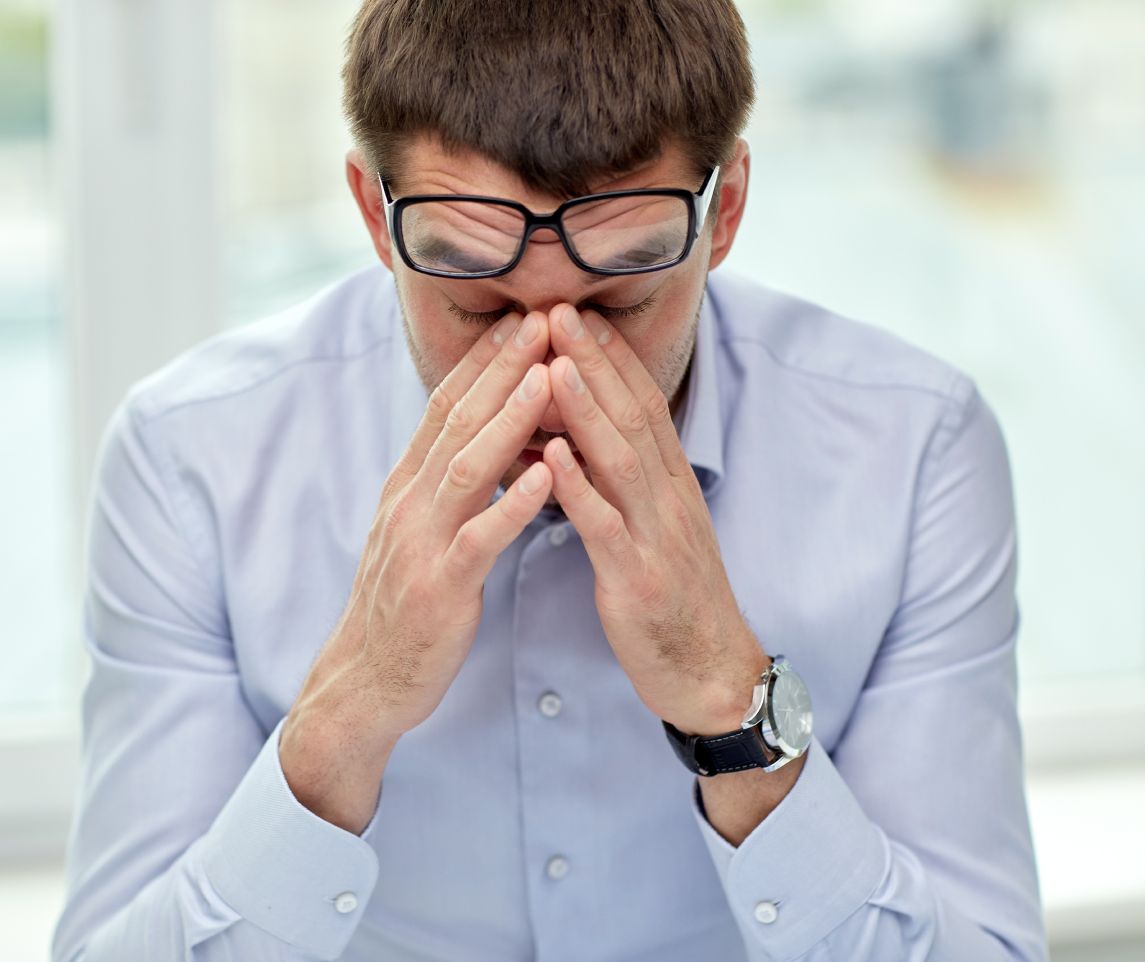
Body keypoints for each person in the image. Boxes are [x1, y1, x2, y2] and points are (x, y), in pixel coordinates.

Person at [52, 1, 1048, 960]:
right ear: (371, 210)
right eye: (478, 303)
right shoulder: (190, 456)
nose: (546, 368)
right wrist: (352, 704)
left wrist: (727, 698)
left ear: (726, 209)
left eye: (615, 299)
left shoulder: (913, 447)